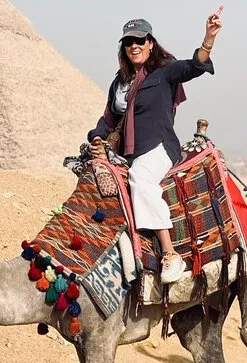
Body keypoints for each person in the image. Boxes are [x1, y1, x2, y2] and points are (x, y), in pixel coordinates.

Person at [87, 6, 224, 284]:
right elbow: (108, 120)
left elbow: (194, 66)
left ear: (150, 43)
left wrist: (209, 38)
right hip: (127, 152)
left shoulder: (164, 71)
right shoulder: (119, 83)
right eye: (129, 42)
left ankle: (170, 253)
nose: (134, 46)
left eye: (140, 40)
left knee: (140, 177)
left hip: (158, 147)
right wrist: (96, 139)